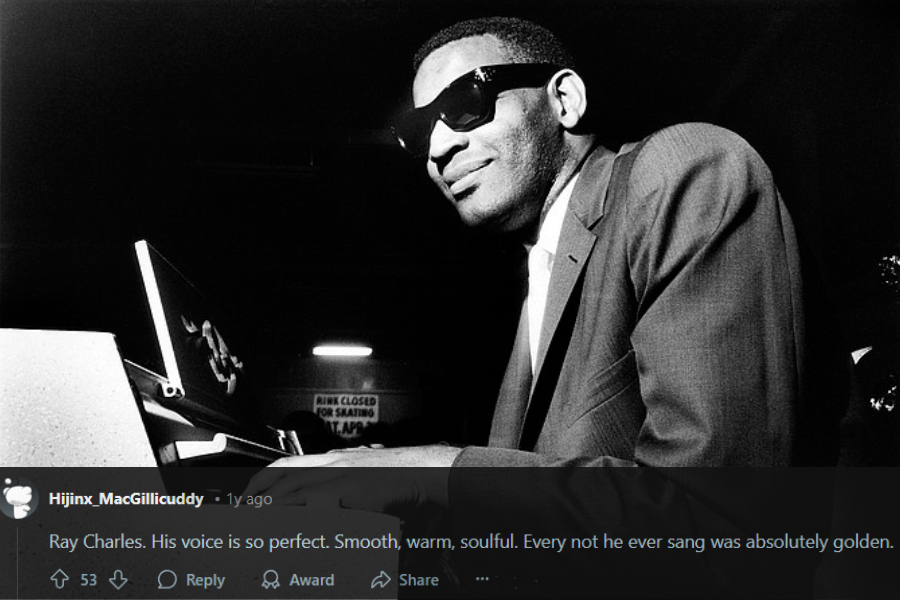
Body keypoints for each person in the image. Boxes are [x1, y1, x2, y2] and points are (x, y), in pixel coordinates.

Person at [247, 16, 849, 595]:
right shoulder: (543, 266)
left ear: (565, 100)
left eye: (464, 105)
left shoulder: (683, 167)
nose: (436, 148)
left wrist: (430, 472)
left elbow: (718, 530)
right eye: (417, 129)